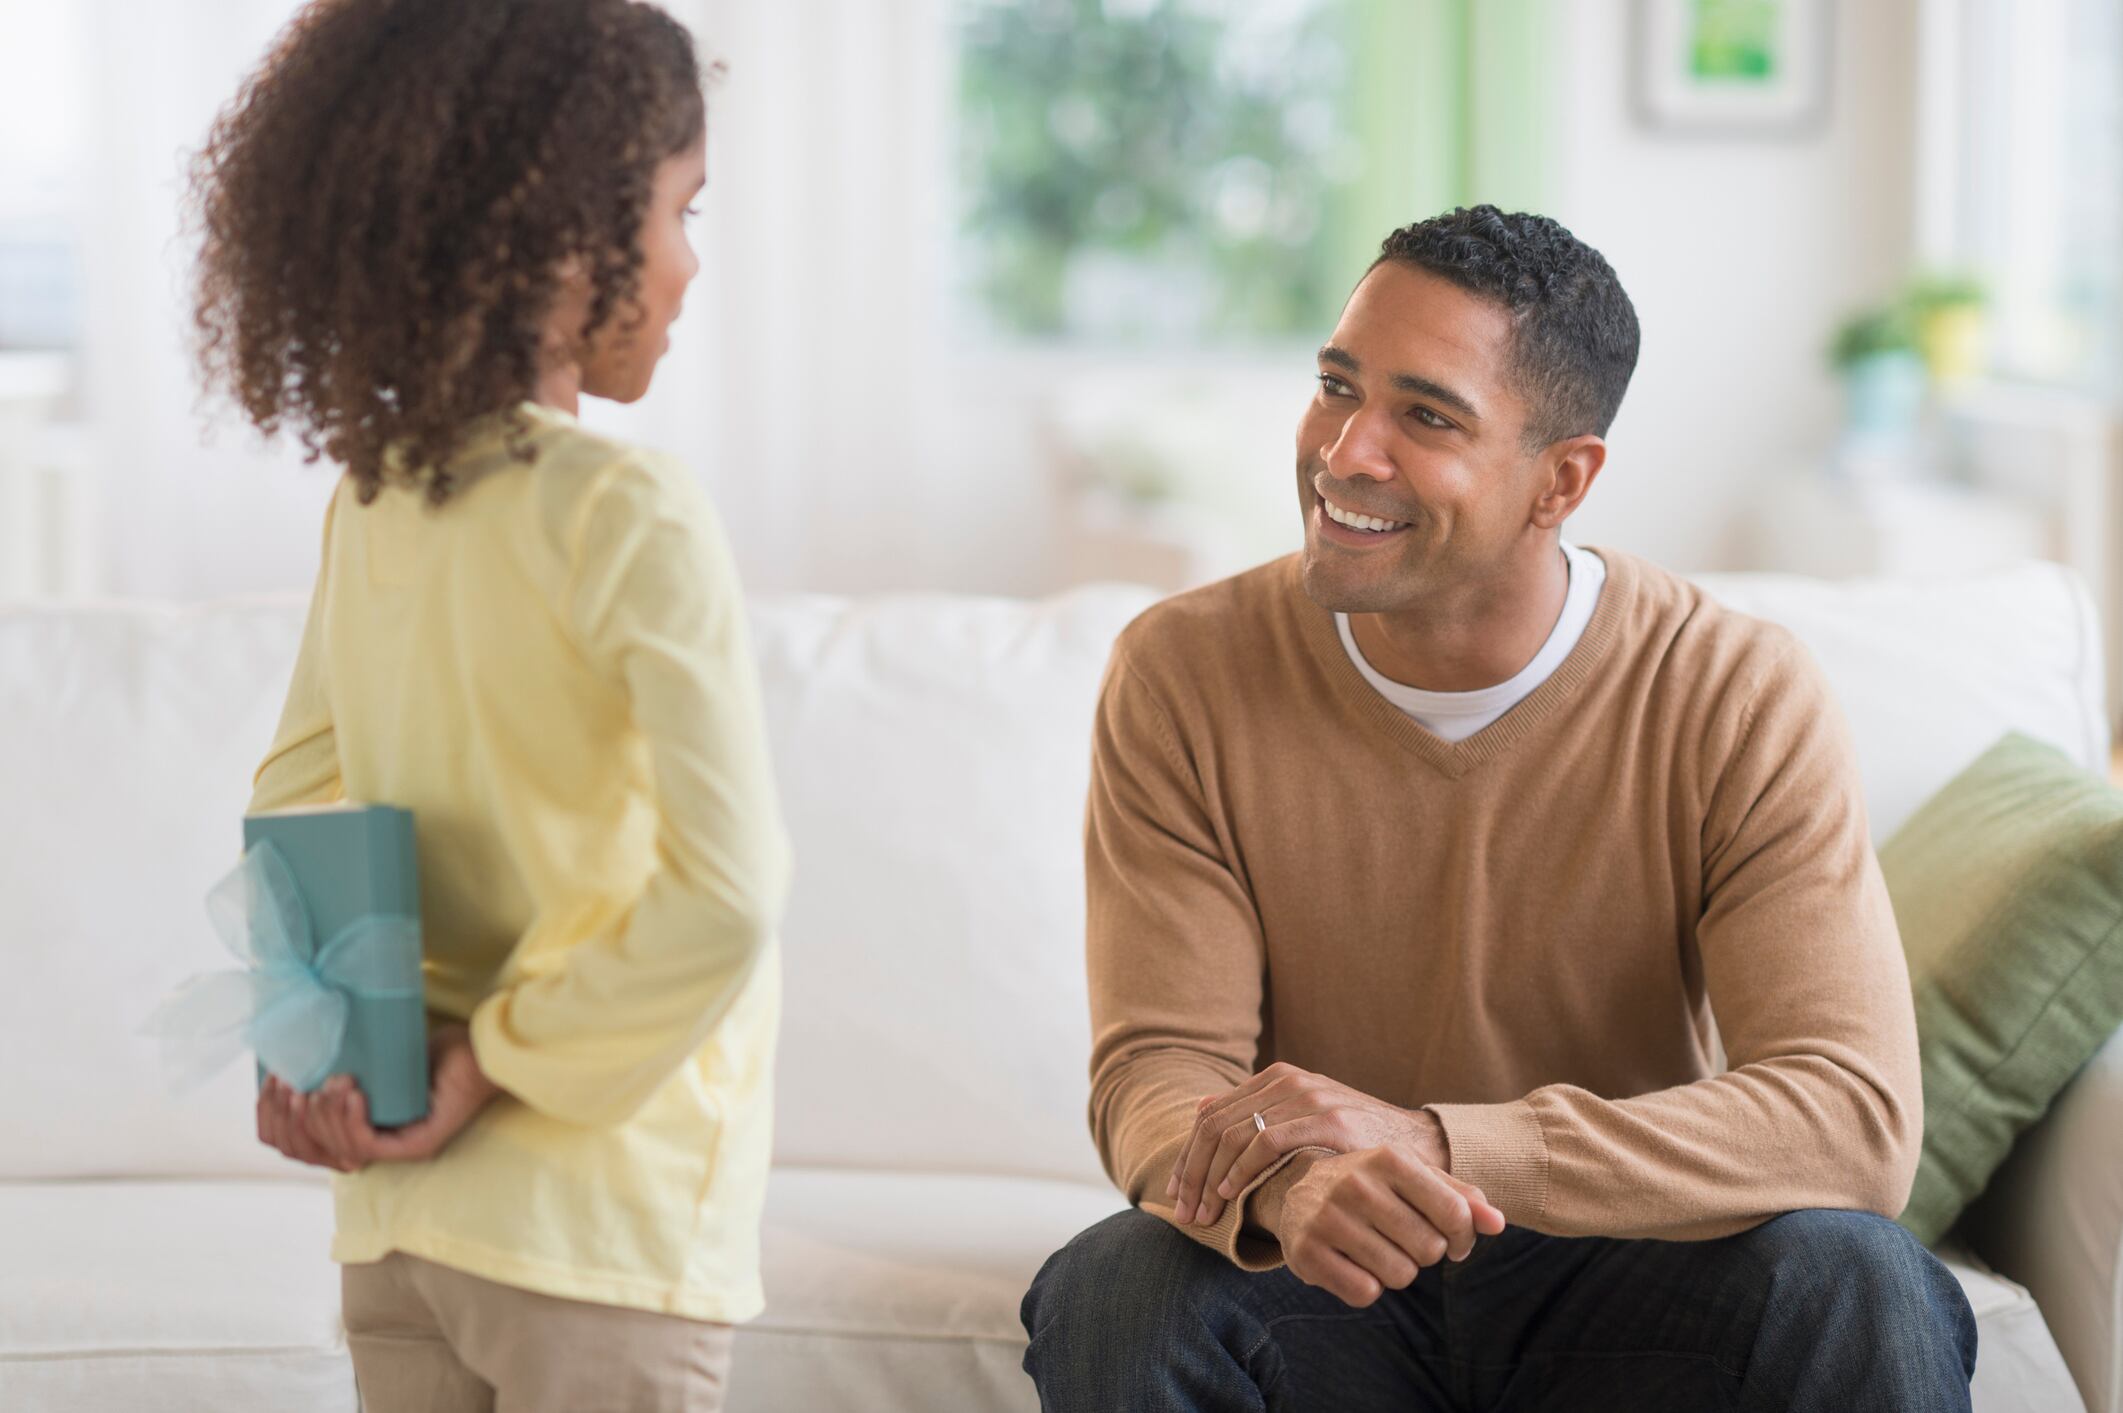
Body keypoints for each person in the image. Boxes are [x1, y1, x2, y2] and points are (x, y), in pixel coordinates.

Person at [1022, 205, 1977, 1411]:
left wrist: (1434, 1143)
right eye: (1334, 385)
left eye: (1424, 416)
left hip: (1634, 1271)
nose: (1343, 451)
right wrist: (1284, 1186)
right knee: (1117, 1287)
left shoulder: (1731, 688)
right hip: (1326, 1276)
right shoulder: (1183, 671)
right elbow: (1158, 1074)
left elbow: (1847, 1118)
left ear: (1559, 480)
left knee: (1858, 1277)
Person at [191, 3, 788, 1409]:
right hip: (600, 1232)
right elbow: (726, 892)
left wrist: (332, 1057)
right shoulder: (626, 509)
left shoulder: (378, 495)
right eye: (678, 212)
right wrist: (492, 1065)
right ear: (566, 232)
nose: (690, 266)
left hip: (401, 1224)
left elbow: (294, 810)